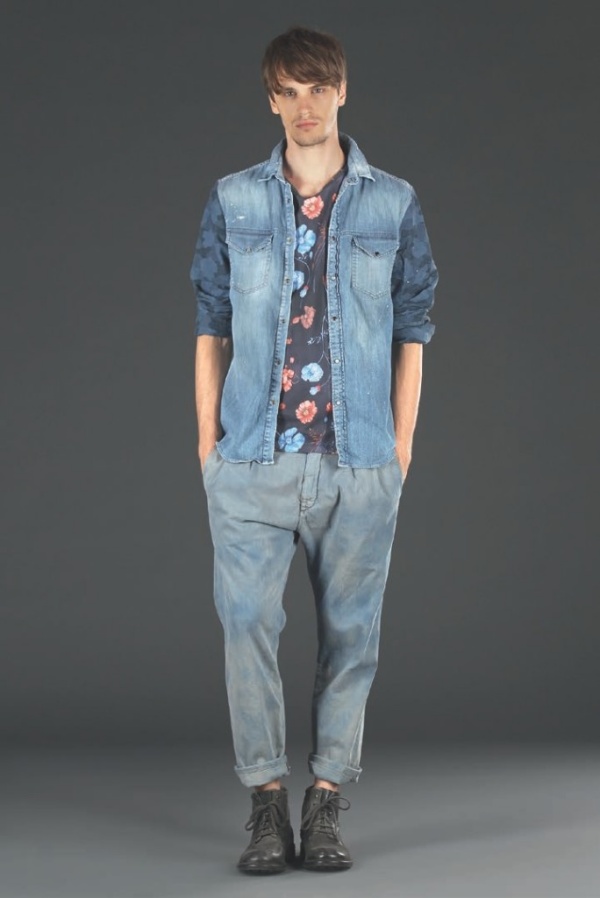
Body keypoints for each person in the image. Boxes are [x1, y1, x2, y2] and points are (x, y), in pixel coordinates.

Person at [189, 25, 438, 874]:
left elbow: (413, 330)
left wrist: (399, 448)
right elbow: (210, 323)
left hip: (357, 461)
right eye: (289, 92)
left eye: (318, 89)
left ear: (342, 92)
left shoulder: (392, 204)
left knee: (352, 638)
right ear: (271, 100)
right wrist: (207, 445)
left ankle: (325, 804)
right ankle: (265, 807)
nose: (305, 107)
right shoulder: (234, 200)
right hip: (252, 462)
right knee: (247, 627)